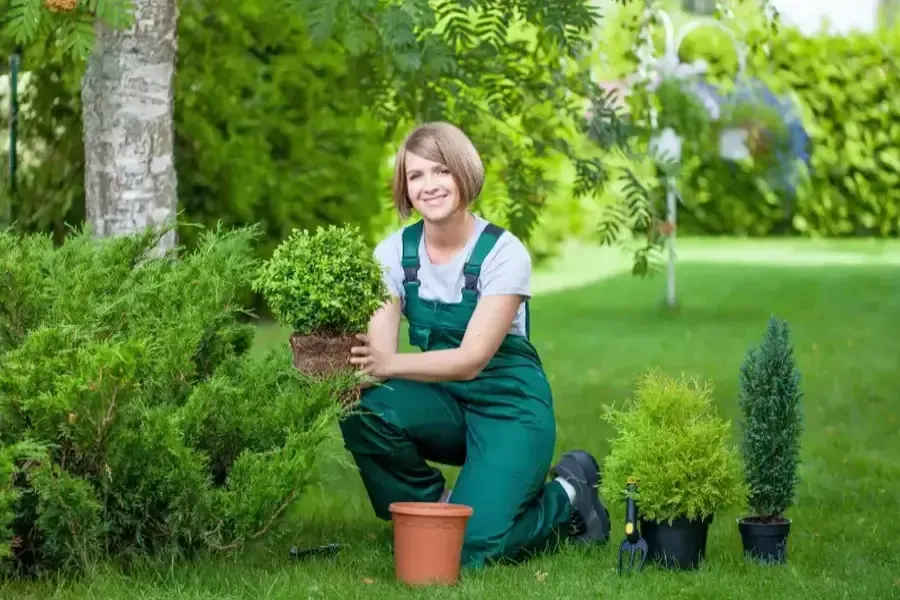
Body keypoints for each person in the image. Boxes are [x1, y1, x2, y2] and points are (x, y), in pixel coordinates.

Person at [341, 121, 611, 568]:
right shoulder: (391, 254)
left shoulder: (503, 253)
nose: (429, 186)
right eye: (416, 176)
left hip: (510, 409)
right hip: (444, 403)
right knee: (362, 405)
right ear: (404, 188)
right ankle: (433, 510)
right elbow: (377, 362)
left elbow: (470, 361)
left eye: (441, 171)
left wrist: (389, 363)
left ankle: (568, 497)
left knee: (467, 552)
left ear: (463, 173)